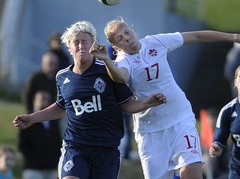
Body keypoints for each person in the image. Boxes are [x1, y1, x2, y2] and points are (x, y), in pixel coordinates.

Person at [89, 16, 240, 179]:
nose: (126, 37)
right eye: (119, 38)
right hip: (151, 132)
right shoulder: (122, 61)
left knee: (191, 173)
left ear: (133, 30)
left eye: (126, 32)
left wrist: (237, 38)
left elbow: (197, 36)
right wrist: (106, 59)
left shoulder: (155, 42)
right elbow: (121, 76)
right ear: (117, 47)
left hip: (180, 119)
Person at [12, 20, 166, 179]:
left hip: (107, 149)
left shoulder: (108, 71)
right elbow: (61, 106)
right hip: (76, 147)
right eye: (76, 43)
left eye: (84, 42)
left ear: (93, 44)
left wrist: (147, 103)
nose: (80, 46)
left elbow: (126, 104)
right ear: (69, 48)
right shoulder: (62, 77)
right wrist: (32, 117)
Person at [18, 90, 62, 179]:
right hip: (33, 168)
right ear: (35, 100)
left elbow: (57, 141)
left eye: (47, 100)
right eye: (43, 99)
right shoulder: (27, 119)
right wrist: (36, 159)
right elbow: (22, 145)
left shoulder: (54, 121)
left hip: (51, 168)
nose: (45, 102)